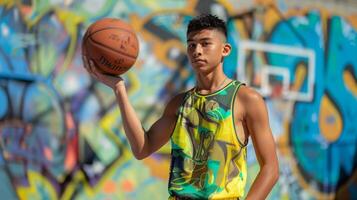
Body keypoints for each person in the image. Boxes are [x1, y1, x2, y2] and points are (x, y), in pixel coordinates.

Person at [83, 14, 279, 200]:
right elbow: (142, 148)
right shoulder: (179, 104)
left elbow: (270, 168)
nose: (197, 51)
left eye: (205, 43)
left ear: (225, 50)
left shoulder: (246, 99)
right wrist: (119, 89)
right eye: (191, 45)